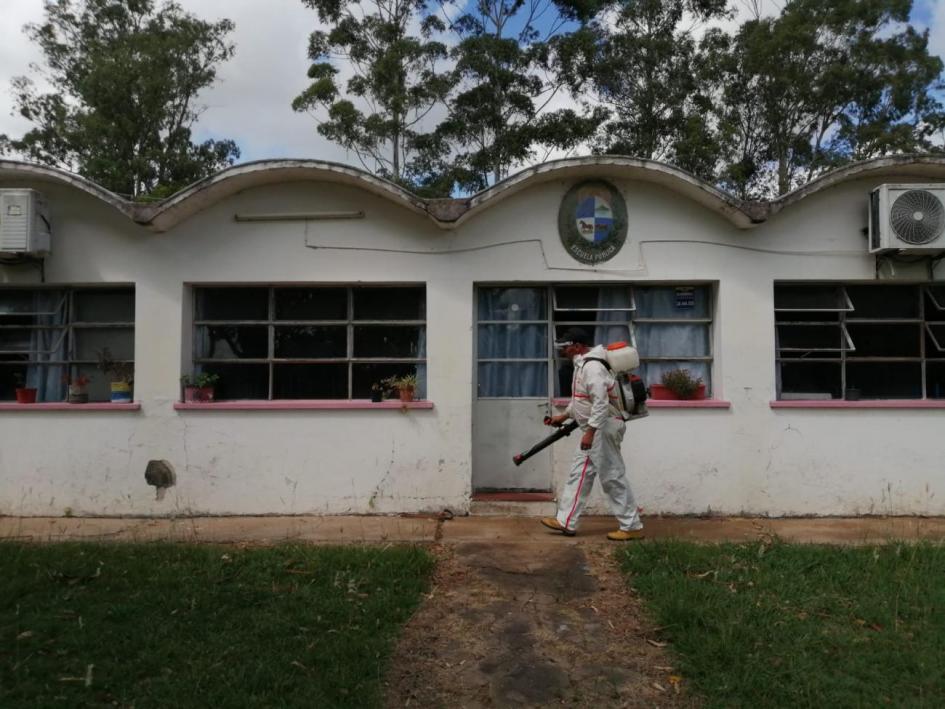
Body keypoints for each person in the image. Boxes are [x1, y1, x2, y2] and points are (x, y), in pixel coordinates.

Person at [540, 327, 644, 541]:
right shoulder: (583, 365)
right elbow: (582, 399)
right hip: (594, 428)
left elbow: (600, 403)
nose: (562, 349)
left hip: (602, 428)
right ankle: (566, 520)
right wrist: (565, 416)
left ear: (577, 346)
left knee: (612, 475)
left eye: (565, 346)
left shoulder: (593, 367)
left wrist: (590, 432)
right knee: (579, 475)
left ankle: (631, 525)